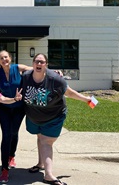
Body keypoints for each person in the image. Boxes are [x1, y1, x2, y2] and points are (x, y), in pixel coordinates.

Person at [21, 53, 91, 185]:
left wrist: (86, 99)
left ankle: (48, 175)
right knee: (40, 137)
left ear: (46, 65)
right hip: (34, 117)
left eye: (42, 62)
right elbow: (13, 69)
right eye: (37, 61)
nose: (39, 64)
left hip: (53, 116)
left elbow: (69, 92)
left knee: (46, 141)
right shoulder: (26, 77)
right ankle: (40, 164)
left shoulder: (55, 79)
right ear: (33, 63)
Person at [0, 50, 33, 183]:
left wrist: (54, 72)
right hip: (4, 108)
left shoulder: (18, 68)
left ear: (10, 58)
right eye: (1, 58)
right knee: (6, 135)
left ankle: (11, 155)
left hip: (19, 108)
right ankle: (4, 169)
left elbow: (37, 69)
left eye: (6, 57)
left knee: (14, 132)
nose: (4, 60)